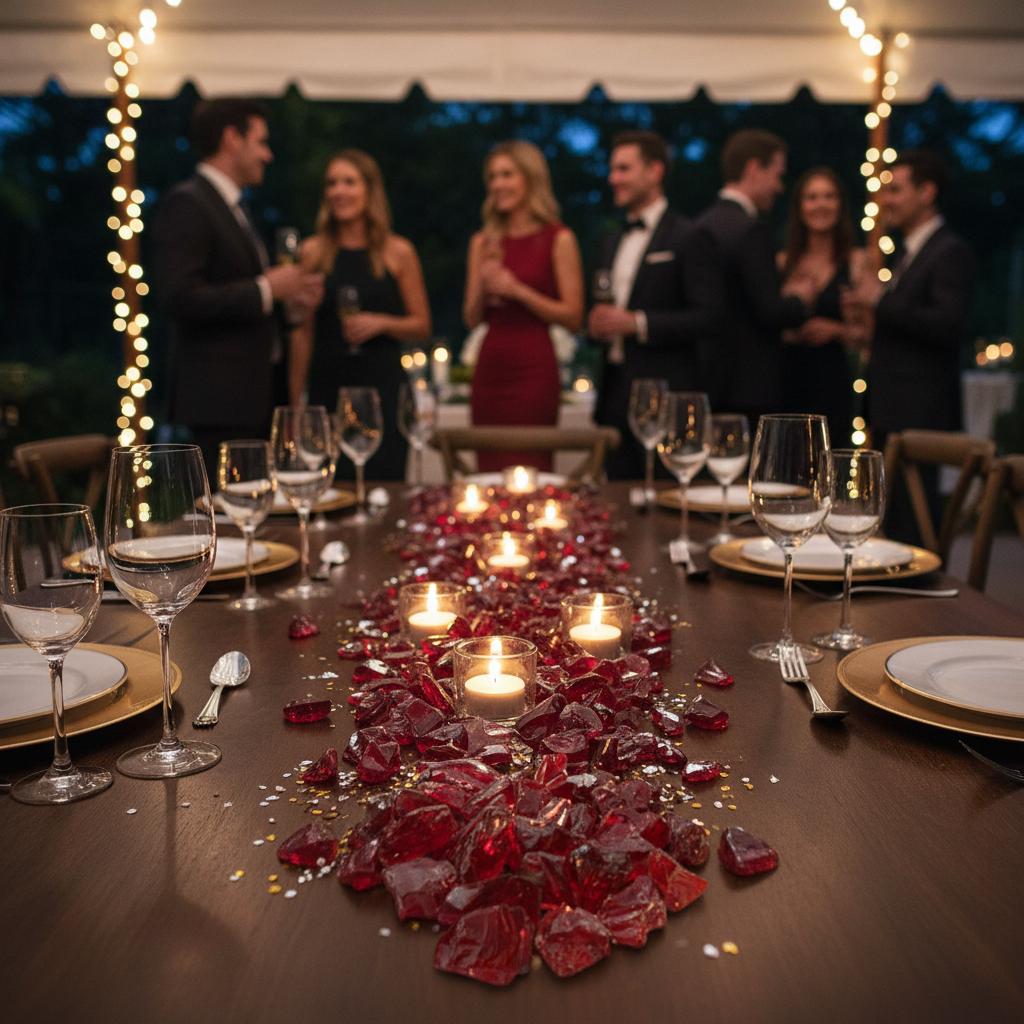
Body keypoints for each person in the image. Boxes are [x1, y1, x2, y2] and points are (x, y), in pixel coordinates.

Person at [154, 98, 323, 477]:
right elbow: (179, 297)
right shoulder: (188, 203)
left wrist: (289, 307)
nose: (268, 155)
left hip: (251, 401)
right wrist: (265, 289)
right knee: (228, 522)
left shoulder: (234, 208)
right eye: (261, 142)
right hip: (220, 405)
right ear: (232, 139)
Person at [843, 149, 977, 541]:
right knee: (894, 517)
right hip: (893, 406)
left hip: (919, 410)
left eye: (896, 190)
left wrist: (879, 300)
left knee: (914, 521)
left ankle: (922, 599)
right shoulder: (906, 252)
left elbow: (948, 324)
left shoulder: (949, 251)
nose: (886, 201)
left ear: (927, 192)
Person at [289, 149, 431, 481]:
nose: (339, 191)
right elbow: (301, 332)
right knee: (329, 490)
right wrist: (296, 404)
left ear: (370, 190)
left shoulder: (398, 252)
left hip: (383, 391)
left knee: (384, 488)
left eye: (349, 182)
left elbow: (422, 325)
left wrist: (382, 322)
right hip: (328, 391)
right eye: (332, 183)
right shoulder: (312, 252)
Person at [587, 130, 722, 480]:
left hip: (667, 398)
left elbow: (709, 318)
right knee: (617, 496)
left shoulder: (689, 235)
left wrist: (638, 323)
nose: (612, 178)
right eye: (613, 169)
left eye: (623, 169)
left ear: (655, 172)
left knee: (665, 499)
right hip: (615, 394)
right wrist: (597, 325)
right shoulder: (613, 238)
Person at [464, 140, 584, 472]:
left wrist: (517, 290)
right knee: (487, 469)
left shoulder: (558, 238)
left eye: (507, 174)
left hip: (534, 369)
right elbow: (471, 318)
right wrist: (482, 282)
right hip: (490, 368)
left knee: (530, 467)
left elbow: (574, 317)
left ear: (530, 179)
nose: (497, 184)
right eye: (492, 177)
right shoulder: (482, 241)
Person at [695, 129, 812, 429]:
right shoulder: (751, 230)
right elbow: (770, 311)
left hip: (708, 379)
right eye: (776, 174)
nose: (780, 186)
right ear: (753, 169)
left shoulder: (702, 223)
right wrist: (800, 298)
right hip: (750, 386)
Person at [778, 167, 869, 444]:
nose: (821, 205)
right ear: (800, 207)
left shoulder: (857, 261)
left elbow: (869, 335)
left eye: (829, 196)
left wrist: (836, 330)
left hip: (832, 380)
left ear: (840, 205)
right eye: (812, 197)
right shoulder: (782, 263)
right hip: (786, 378)